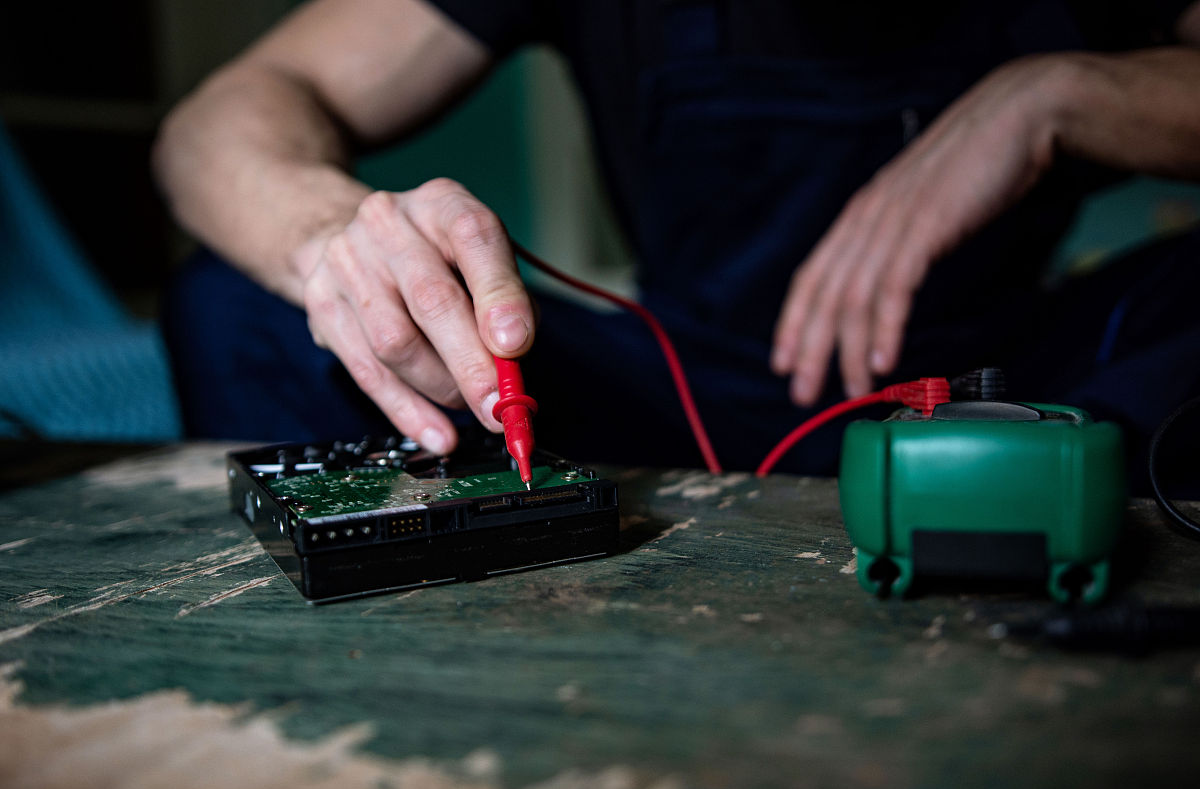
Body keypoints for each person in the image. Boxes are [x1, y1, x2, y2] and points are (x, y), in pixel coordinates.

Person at [154, 0, 1200, 485]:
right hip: (672, 406)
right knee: (251, 303)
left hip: (1018, 396)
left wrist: (1058, 96)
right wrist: (330, 241)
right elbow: (216, 123)